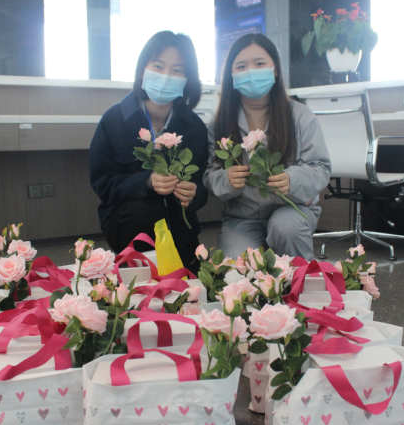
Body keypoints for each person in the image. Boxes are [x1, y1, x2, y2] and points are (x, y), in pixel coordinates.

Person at [204, 33, 331, 261]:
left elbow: (320, 167)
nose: (251, 71)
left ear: (275, 69)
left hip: (292, 210)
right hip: (243, 218)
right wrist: (226, 179)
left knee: (286, 228)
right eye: (241, 66)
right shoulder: (220, 123)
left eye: (259, 63)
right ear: (231, 75)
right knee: (236, 267)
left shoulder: (300, 116)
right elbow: (210, 174)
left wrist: (293, 179)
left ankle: (298, 280)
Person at [90, 31, 209, 274]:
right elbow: (102, 182)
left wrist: (193, 193)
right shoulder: (114, 120)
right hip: (130, 221)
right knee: (149, 212)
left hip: (179, 225)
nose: (166, 76)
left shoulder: (194, 127)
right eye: (158, 66)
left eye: (177, 70)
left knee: (195, 282)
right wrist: (145, 182)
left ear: (187, 78)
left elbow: (202, 184)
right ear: (143, 70)